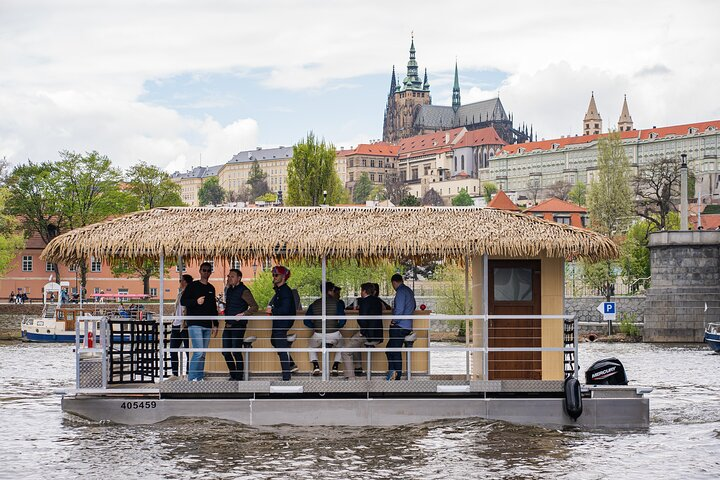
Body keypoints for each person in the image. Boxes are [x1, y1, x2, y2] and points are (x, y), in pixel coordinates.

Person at [181, 262, 219, 381]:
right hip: (195, 324)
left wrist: (216, 324)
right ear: (200, 271)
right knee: (198, 352)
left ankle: (199, 377)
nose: (206, 272)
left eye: (208, 270)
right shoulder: (192, 286)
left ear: (210, 272)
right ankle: (192, 378)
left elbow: (213, 307)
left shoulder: (211, 288)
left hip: (207, 324)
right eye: (204, 270)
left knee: (203, 353)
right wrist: (196, 301)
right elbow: (183, 301)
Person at [222, 268, 258, 380]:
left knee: (236, 351)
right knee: (225, 352)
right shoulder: (229, 289)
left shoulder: (244, 290)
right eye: (228, 276)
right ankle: (233, 375)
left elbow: (254, 306)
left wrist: (243, 314)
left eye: (232, 276)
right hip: (227, 325)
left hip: (238, 326)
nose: (229, 278)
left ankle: (239, 376)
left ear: (239, 278)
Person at [342, 282, 384, 379]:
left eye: (361, 290)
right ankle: (358, 367)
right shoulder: (378, 301)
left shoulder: (364, 301)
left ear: (364, 291)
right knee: (354, 341)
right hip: (377, 334)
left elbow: (363, 319)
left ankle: (351, 377)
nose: (361, 292)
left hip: (367, 334)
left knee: (345, 351)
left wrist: (363, 331)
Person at [304, 282, 346, 376]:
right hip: (334, 333)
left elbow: (306, 321)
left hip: (318, 334)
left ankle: (316, 366)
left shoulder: (314, 304)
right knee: (342, 346)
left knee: (310, 346)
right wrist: (337, 326)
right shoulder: (337, 303)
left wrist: (315, 327)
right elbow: (343, 320)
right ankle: (335, 366)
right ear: (330, 291)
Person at [266, 265, 295, 381]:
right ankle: (291, 363)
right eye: (273, 274)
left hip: (283, 322)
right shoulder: (279, 291)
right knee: (274, 341)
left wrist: (272, 310)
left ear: (283, 277)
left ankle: (286, 377)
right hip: (279, 322)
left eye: (276, 275)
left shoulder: (285, 292)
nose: (274, 276)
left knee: (281, 346)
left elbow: (285, 310)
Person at [386, 273, 416, 380]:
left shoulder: (400, 292)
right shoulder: (409, 291)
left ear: (394, 282)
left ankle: (396, 375)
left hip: (399, 326)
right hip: (408, 326)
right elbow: (414, 306)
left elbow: (399, 309)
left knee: (394, 350)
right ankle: (393, 373)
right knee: (391, 349)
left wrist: (394, 321)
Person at [170, 274, 192, 378]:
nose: (179, 282)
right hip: (176, 325)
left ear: (185, 282)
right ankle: (175, 373)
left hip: (185, 325)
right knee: (173, 350)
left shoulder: (190, 295)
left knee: (188, 351)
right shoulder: (179, 294)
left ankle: (188, 373)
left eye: (181, 281)